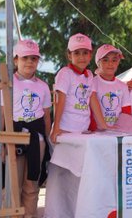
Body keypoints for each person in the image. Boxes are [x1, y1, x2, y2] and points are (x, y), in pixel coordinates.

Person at [45, 33, 108, 218]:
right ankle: (55, 213)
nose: (82, 57)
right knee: (59, 177)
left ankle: (74, 212)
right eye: (77, 53)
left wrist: (103, 125)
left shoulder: (89, 75)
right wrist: (56, 128)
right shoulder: (65, 73)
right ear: (69, 55)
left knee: (77, 178)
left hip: (81, 133)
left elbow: (93, 99)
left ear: (91, 55)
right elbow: (60, 100)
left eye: (86, 53)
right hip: (65, 132)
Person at [8, 39, 52, 217]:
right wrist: (1, 142)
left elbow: (46, 116)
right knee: (13, 184)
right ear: (15, 60)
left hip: (37, 140)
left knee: (31, 184)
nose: (29, 62)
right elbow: (3, 113)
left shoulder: (42, 86)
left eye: (34, 58)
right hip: (14, 137)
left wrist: (48, 141)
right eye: (25, 57)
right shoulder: (9, 83)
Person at [92, 44, 132, 127]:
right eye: (105, 60)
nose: (110, 64)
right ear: (98, 63)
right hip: (95, 134)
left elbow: (126, 112)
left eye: (114, 60)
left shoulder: (123, 86)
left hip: (117, 132)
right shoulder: (92, 82)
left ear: (118, 62)